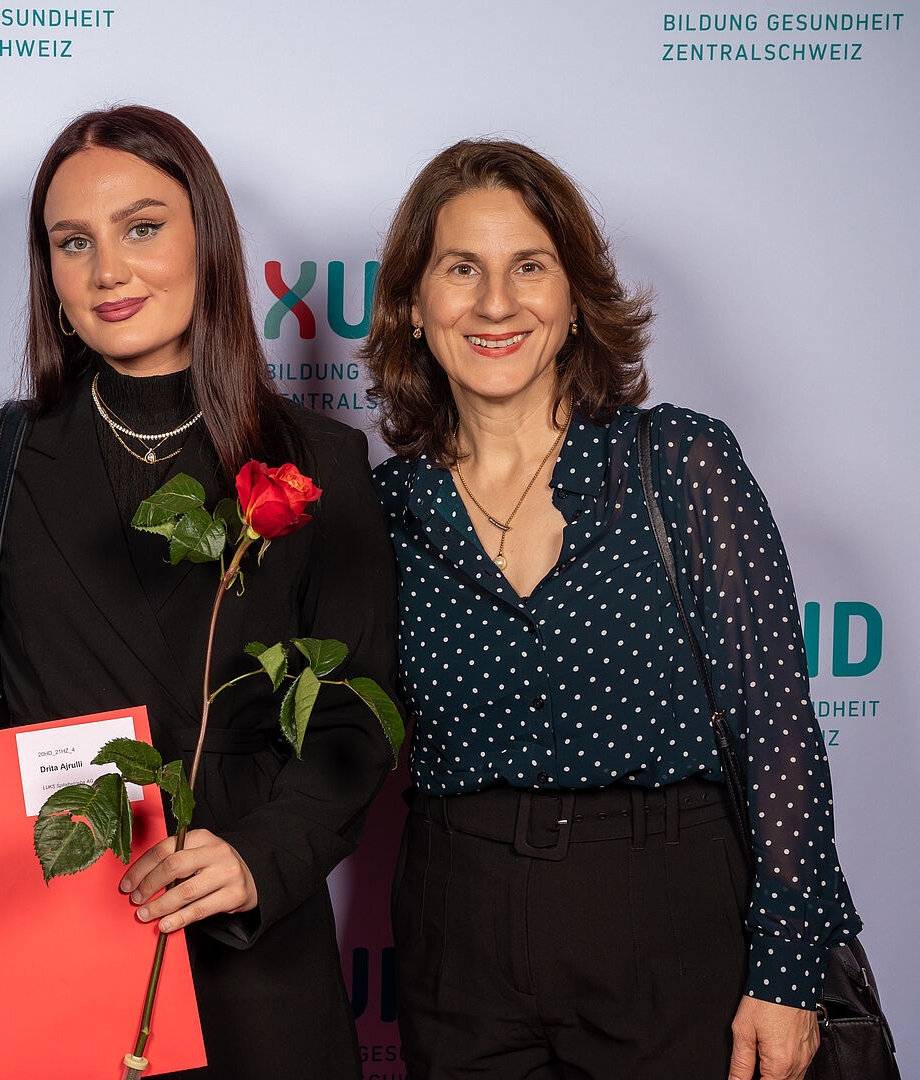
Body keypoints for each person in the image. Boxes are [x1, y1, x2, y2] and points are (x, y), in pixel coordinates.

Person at [363, 138, 861, 1080]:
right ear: (413, 308)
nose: (495, 303)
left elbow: (776, 728)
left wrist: (786, 970)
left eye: (528, 267)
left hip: (668, 916)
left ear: (574, 299)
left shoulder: (677, 463)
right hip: (454, 930)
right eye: (461, 269)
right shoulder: (384, 508)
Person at [0, 105, 399, 1079]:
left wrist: (258, 858)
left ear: (209, 242)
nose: (107, 270)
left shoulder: (320, 462)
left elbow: (356, 716)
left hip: (251, 938)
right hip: (55, 923)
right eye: (74, 242)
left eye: (142, 227)